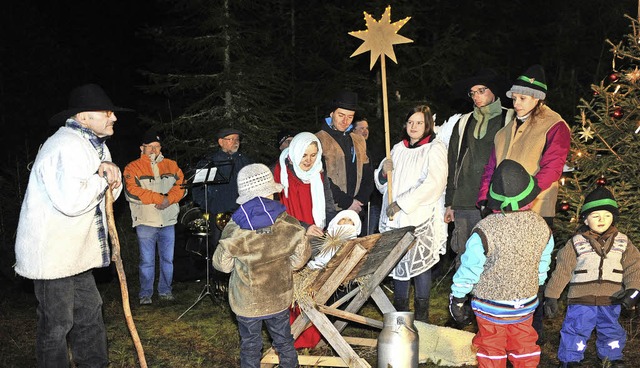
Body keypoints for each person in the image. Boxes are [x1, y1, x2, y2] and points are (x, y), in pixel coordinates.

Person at [14, 83, 131, 367]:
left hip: (76, 255)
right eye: (106, 112)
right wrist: (102, 178)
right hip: (53, 255)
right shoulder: (64, 145)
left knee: (90, 313)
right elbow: (71, 201)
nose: (113, 117)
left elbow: (108, 197)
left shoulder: (97, 147)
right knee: (57, 324)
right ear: (82, 117)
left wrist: (111, 178)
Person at [476, 64, 571, 342]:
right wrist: (484, 198)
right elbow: (490, 168)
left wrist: (525, 196)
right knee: (498, 270)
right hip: (500, 213)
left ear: (538, 98)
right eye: (514, 98)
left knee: (532, 275)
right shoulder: (505, 130)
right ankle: (497, 335)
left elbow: (552, 167)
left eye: (523, 98)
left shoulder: (554, 125)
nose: (516, 103)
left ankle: (531, 338)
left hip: (536, 210)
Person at [449, 159, 554, 368]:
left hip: (490, 307)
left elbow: (470, 267)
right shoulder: (542, 226)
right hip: (524, 304)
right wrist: (540, 285)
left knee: (491, 347)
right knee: (524, 344)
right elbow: (543, 262)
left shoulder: (484, 229)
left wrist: (458, 296)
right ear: (530, 197)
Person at [212, 163, 310, 368]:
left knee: (250, 345)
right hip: (278, 297)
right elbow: (300, 258)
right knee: (284, 342)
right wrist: (286, 265)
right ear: (271, 192)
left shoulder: (235, 227)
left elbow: (222, 264)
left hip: (247, 302)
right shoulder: (288, 223)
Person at [544, 186, 640, 368]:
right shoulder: (576, 243)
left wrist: (633, 291)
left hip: (611, 298)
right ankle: (570, 359)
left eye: (607, 215)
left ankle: (611, 357)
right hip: (581, 298)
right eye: (596, 216)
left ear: (614, 217)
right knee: (575, 329)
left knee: (611, 329)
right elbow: (563, 269)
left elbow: (634, 267)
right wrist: (552, 296)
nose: (602, 220)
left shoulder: (623, 242)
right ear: (586, 220)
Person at [374, 104, 448, 322]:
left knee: (419, 266)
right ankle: (401, 316)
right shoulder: (397, 148)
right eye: (410, 122)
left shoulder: (434, 148)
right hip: (395, 219)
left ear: (428, 125)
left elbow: (434, 183)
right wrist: (382, 174)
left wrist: (402, 203)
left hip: (419, 216)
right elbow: (383, 185)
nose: (414, 127)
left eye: (419, 123)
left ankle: (422, 317)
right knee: (397, 264)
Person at [444, 69, 514, 269]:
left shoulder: (509, 119)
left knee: (493, 253)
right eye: (472, 93)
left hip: (496, 200)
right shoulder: (463, 122)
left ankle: (488, 299)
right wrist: (450, 202)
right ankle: (462, 298)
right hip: (464, 201)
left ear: (493, 91)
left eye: (481, 90)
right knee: (464, 254)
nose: (476, 96)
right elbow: (452, 163)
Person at [123, 130, 186, 305]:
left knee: (168, 259)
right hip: (146, 221)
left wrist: (169, 200)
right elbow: (131, 193)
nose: (153, 150)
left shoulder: (171, 165)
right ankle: (145, 295)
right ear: (141, 148)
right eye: (150, 146)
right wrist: (160, 199)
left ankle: (165, 291)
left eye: (157, 146)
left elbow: (182, 186)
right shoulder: (132, 167)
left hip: (168, 221)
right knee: (147, 261)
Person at [316, 90, 374, 217]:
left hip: (357, 209)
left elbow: (368, 174)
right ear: (332, 113)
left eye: (350, 117)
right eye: (341, 115)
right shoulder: (318, 140)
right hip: (332, 210)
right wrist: (347, 202)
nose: (345, 121)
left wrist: (360, 200)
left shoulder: (359, 140)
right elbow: (320, 178)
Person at [192, 127, 252, 246]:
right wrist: (210, 206)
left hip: (241, 214)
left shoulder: (245, 161)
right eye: (230, 139)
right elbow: (197, 189)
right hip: (217, 216)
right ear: (220, 142)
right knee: (219, 252)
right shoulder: (209, 162)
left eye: (237, 139)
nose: (235, 142)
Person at [274, 131, 337, 238]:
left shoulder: (319, 173)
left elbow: (328, 205)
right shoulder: (278, 174)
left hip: (316, 233)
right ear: (295, 152)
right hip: (288, 235)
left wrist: (334, 225)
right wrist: (304, 227)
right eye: (304, 155)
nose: (309, 160)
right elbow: (275, 212)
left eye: (313, 155)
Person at [353, 116, 383, 236]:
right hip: (357, 202)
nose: (365, 131)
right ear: (353, 131)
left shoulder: (370, 149)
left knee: (369, 236)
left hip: (373, 201)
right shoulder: (352, 151)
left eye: (366, 128)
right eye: (361, 128)